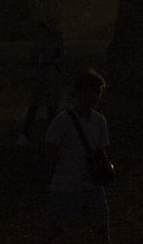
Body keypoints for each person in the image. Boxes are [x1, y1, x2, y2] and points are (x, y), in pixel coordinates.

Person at [45, 69, 112, 241]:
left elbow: (100, 150)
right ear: (80, 92)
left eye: (98, 92)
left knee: (101, 229)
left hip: (91, 184)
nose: (96, 97)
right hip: (67, 185)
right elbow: (51, 154)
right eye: (93, 91)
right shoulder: (62, 121)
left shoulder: (99, 120)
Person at [19, 18, 66, 145]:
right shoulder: (39, 43)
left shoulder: (53, 43)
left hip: (49, 76)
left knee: (49, 107)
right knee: (37, 106)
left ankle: (51, 135)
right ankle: (28, 134)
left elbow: (59, 59)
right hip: (41, 77)